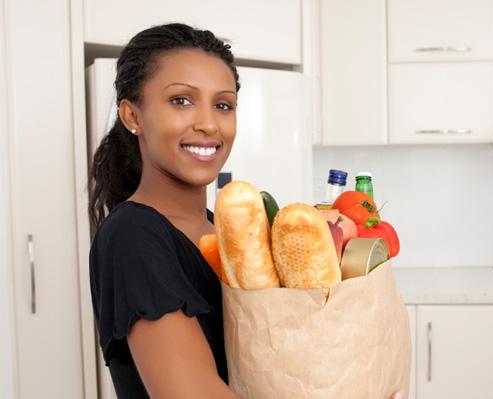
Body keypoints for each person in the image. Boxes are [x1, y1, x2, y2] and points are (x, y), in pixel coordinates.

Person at [88, 23, 402, 399]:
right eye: (181, 101)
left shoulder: (218, 232)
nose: (208, 123)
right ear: (132, 116)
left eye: (223, 105)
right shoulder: (134, 236)